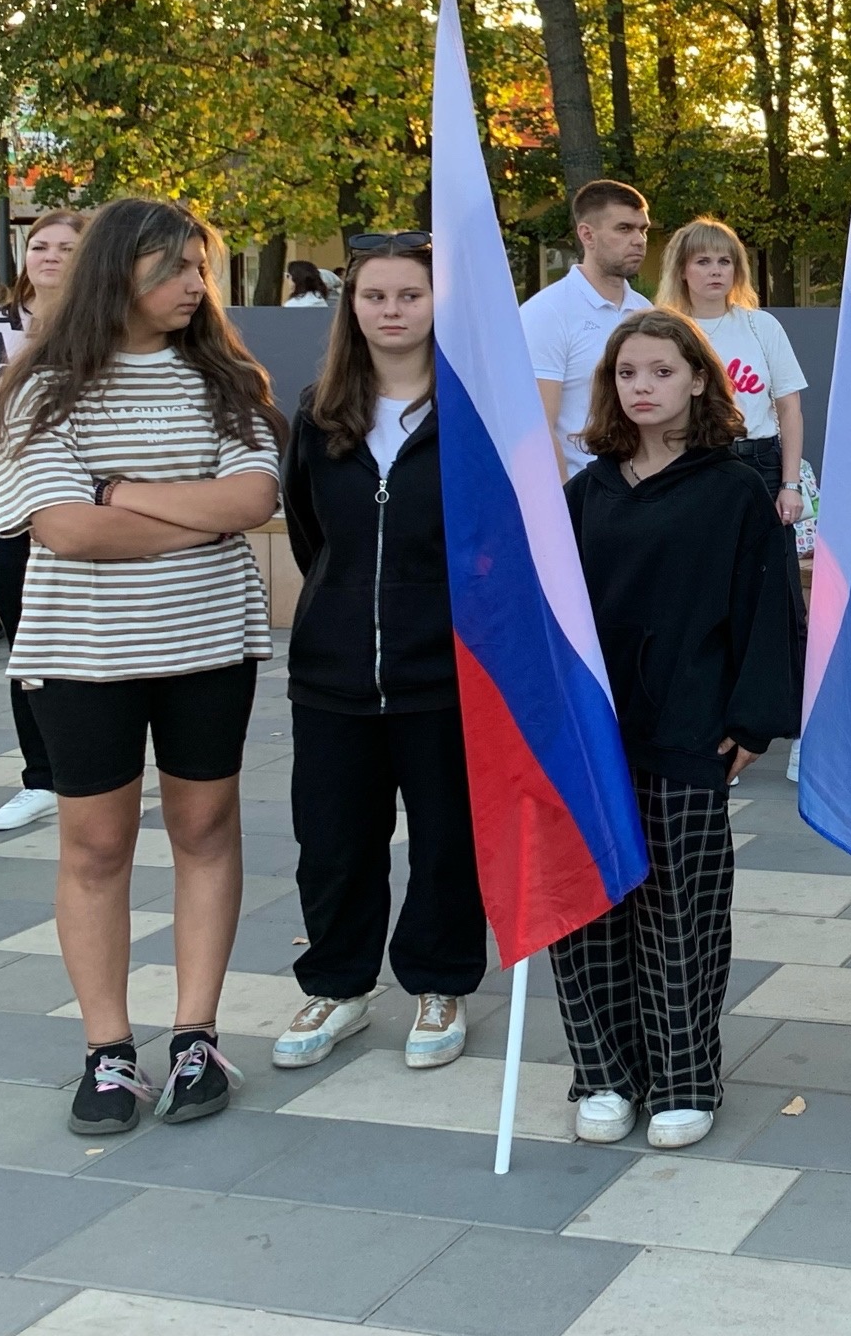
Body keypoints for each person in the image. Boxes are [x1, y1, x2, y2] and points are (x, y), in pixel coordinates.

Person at [0, 199, 283, 1134]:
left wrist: (126, 493)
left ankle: (194, 1035)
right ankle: (107, 1051)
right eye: (174, 270)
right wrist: (188, 511)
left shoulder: (227, 378)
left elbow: (253, 498)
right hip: (85, 656)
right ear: (119, 272)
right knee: (97, 847)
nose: (196, 287)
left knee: (204, 830)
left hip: (206, 647)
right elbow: (64, 528)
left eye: (201, 268)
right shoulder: (46, 386)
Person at [556, 310, 796, 1151]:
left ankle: (685, 1078)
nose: (643, 387)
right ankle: (604, 1075)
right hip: (593, 738)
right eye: (628, 374)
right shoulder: (584, 494)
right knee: (589, 907)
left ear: (699, 378)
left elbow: (770, 609)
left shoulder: (731, 490)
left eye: (660, 371)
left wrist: (753, 720)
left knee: (681, 910)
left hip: (689, 729)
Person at [271, 236, 484, 1076]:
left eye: (410, 295)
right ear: (350, 308)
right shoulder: (320, 408)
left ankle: (439, 982)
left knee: (445, 839)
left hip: (444, 675)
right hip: (333, 672)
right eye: (374, 297)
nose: (391, 311)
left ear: (438, 305)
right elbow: (308, 532)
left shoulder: (472, 412)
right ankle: (338, 984)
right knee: (333, 839)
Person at [0, 211, 85, 832]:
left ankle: (96, 768)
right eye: (39, 244)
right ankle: (41, 778)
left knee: (96, 644)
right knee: (29, 646)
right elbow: (5, 397)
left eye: (69, 246)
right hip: (15, 507)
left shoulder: (114, 323)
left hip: (99, 509)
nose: (50, 255)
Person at [655, 217, 807, 520]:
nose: (716, 270)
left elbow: (789, 408)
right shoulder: (666, 330)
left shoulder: (761, 326)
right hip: (689, 459)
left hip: (761, 462)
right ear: (682, 270)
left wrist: (791, 484)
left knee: (768, 562)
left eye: (725, 261)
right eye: (703, 261)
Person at [522, 180, 651, 476]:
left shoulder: (647, 311)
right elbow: (538, 427)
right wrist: (564, 506)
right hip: (583, 493)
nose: (639, 240)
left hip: (647, 492)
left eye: (642, 229)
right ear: (587, 235)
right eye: (624, 228)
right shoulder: (546, 313)